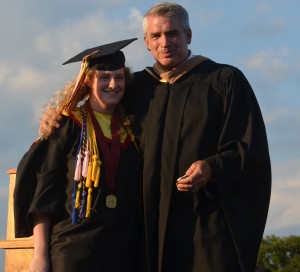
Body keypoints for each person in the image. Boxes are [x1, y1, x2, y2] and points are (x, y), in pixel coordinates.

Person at [40, 2, 272, 272]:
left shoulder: (224, 80)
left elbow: (249, 148)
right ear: (147, 43)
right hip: (146, 229)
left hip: (205, 223)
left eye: (172, 33)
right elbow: (98, 112)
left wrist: (212, 166)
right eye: (156, 36)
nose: (165, 42)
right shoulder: (137, 87)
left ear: (188, 35)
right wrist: (57, 116)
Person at [14, 38, 142, 272]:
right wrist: (40, 256)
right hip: (72, 249)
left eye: (119, 77)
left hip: (121, 250)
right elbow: (45, 195)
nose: (113, 84)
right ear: (88, 81)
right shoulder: (67, 125)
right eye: (104, 77)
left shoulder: (132, 130)